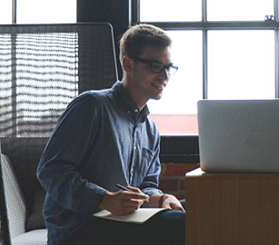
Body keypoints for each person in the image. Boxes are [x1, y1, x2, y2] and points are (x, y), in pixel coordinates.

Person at [36, 24, 185, 245]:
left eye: (168, 68)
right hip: (79, 229)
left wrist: (161, 198)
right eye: (155, 66)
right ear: (128, 64)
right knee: (183, 225)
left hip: (124, 223)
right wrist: (104, 200)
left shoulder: (150, 130)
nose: (164, 76)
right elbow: (50, 170)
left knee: (202, 213)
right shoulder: (92, 106)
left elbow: (146, 186)